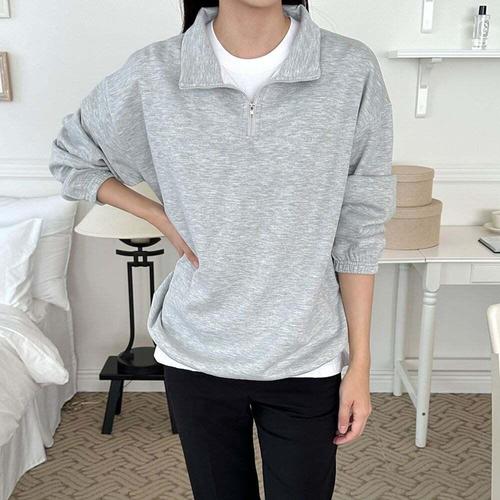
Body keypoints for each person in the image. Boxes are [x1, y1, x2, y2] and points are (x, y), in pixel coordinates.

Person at [48, 0, 396, 498]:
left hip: (305, 352)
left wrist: (359, 363)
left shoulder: (349, 68)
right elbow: (72, 157)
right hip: (196, 352)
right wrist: (158, 215)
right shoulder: (156, 72)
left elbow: (359, 227)